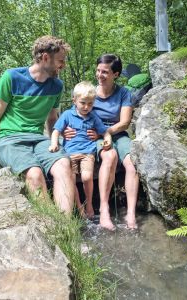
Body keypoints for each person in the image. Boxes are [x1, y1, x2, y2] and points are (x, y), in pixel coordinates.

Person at [0, 35, 75, 214]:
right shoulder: (12, 77)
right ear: (46, 58)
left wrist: (57, 140)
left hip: (39, 139)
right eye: (60, 61)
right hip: (10, 139)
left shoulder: (56, 85)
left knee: (64, 165)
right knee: (34, 174)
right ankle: (54, 227)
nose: (63, 65)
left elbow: (52, 119)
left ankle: (67, 226)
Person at [65, 54, 140, 230]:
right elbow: (73, 114)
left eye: (105, 72)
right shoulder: (89, 92)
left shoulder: (123, 93)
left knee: (132, 163)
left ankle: (130, 213)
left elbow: (125, 122)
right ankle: (104, 209)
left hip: (117, 133)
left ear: (116, 74)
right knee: (110, 155)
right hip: (94, 136)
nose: (100, 75)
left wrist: (106, 131)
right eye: (98, 70)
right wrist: (66, 130)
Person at [49, 81, 112, 218]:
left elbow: (104, 132)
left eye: (90, 104)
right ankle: (80, 207)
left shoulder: (93, 117)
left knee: (87, 176)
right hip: (70, 153)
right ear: (74, 100)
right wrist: (54, 143)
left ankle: (89, 203)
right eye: (83, 103)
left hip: (87, 153)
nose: (86, 107)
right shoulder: (67, 115)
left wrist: (107, 140)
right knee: (70, 178)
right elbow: (55, 131)